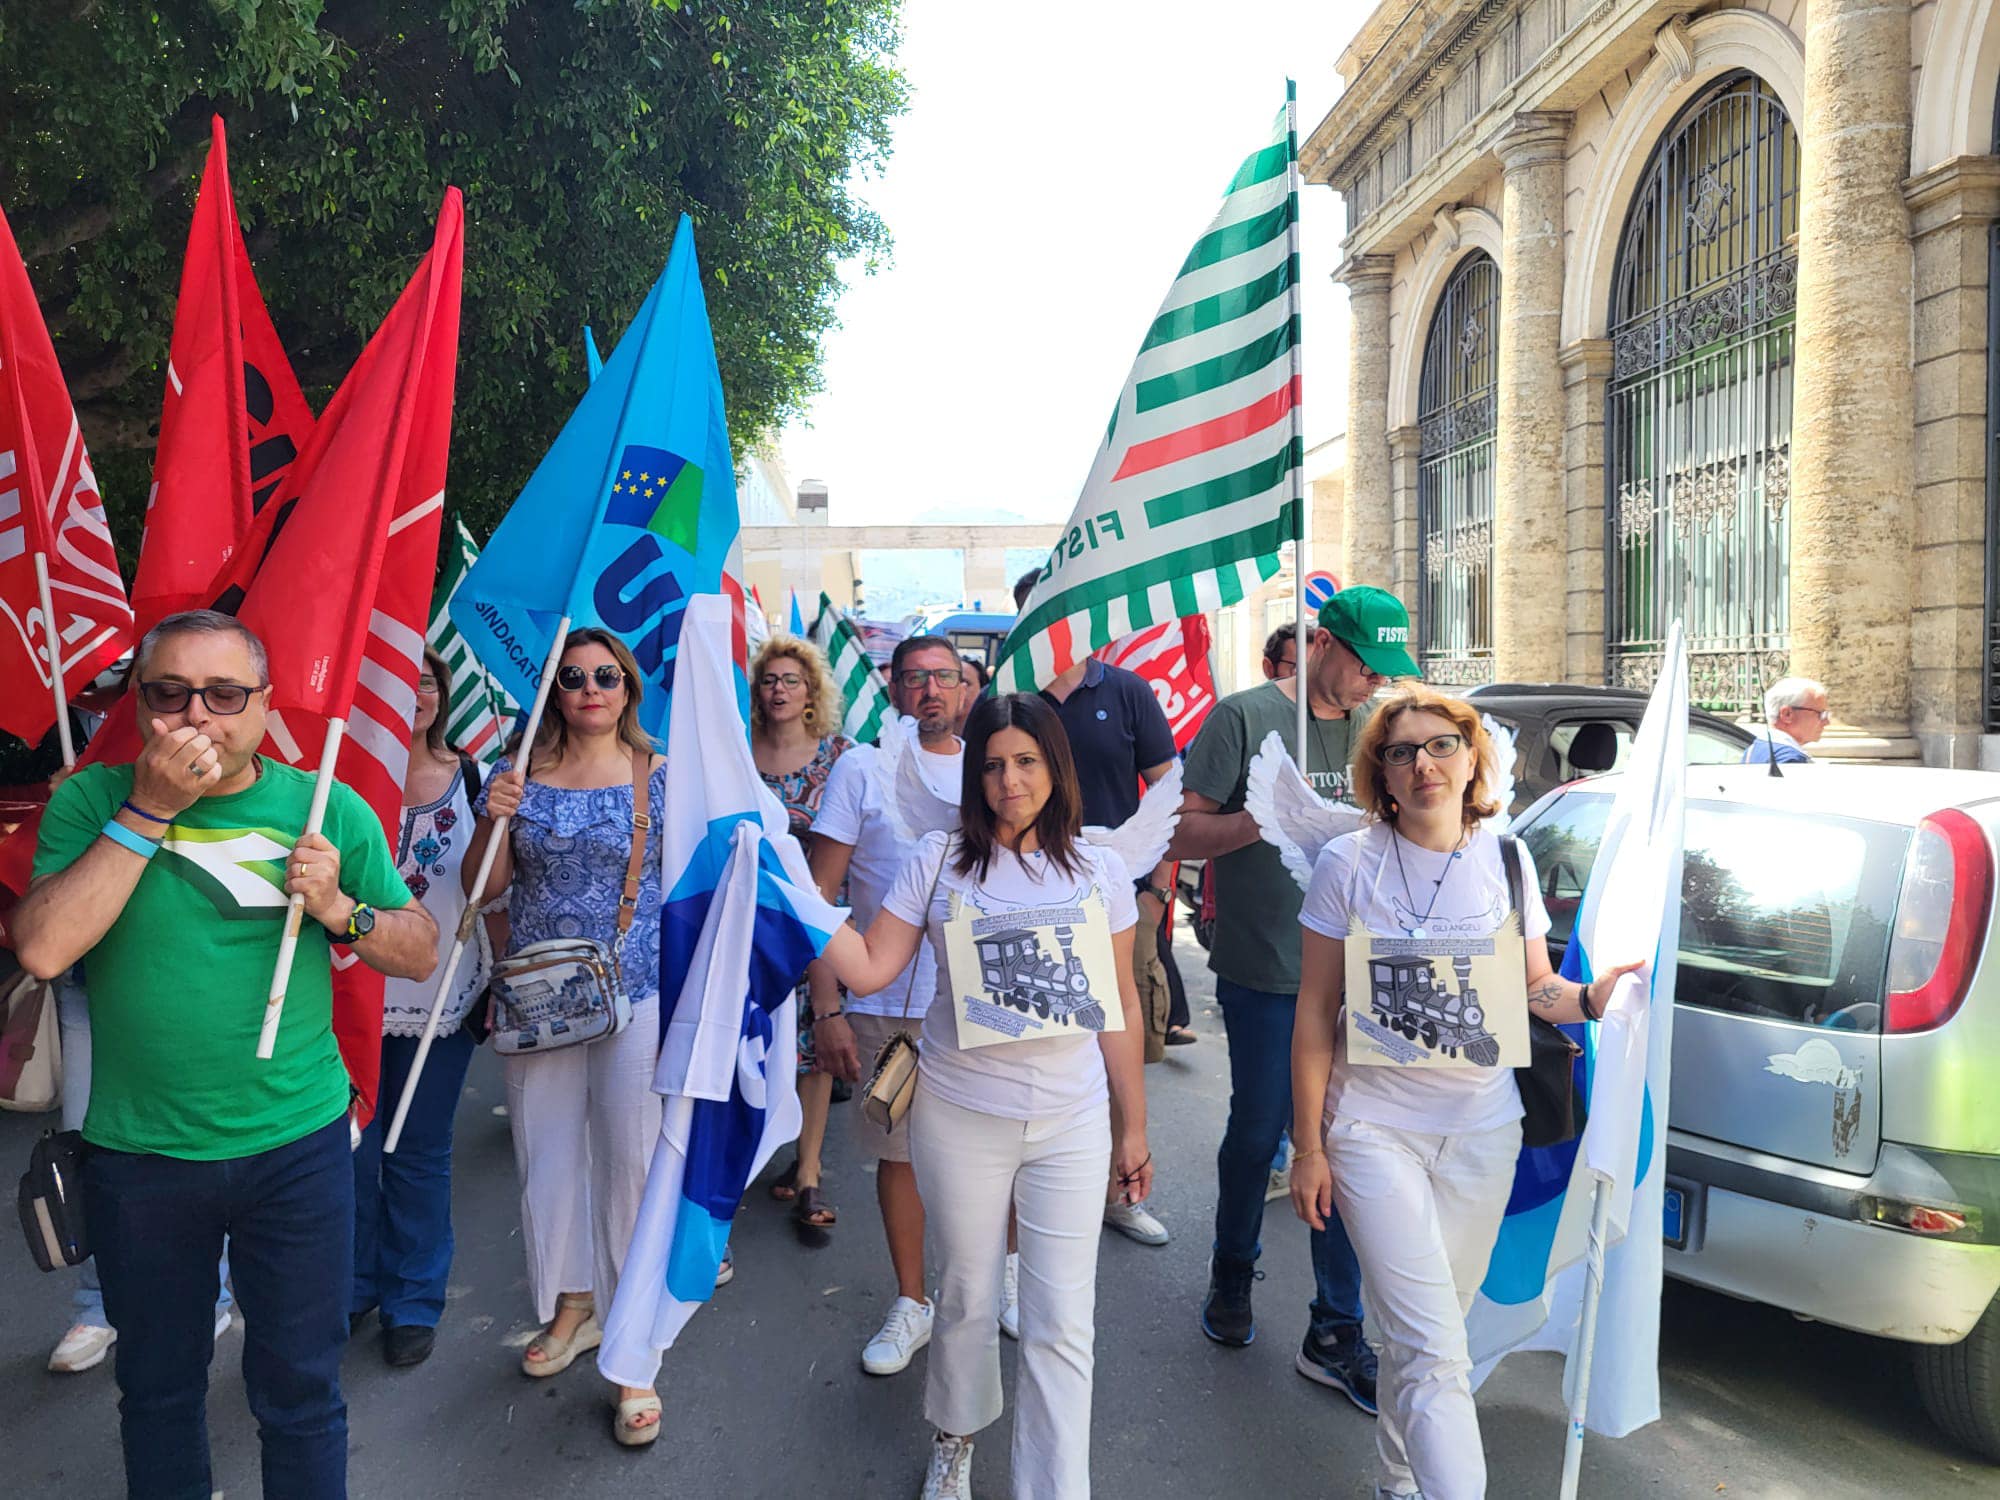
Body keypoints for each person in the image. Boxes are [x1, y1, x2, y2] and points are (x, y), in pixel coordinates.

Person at [12, 609, 439, 1500]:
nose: (195, 716)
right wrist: (149, 811)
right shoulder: (92, 803)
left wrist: (342, 914)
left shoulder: (322, 805)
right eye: (169, 693)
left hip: (297, 1150)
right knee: (158, 1392)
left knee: (300, 1392)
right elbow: (45, 947)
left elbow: (420, 946)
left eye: (223, 694)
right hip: (142, 1154)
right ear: (139, 703)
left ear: (265, 706)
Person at [1289, 685, 1642, 1500]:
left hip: (1485, 1130)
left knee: (1430, 1334)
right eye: (1401, 751)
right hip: (1374, 1128)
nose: (1423, 765)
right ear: (1379, 771)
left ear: (1472, 753)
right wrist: (1309, 1145)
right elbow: (1313, 1014)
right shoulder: (1348, 863)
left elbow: (1534, 988)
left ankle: (1397, 1483)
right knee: (1434, 1348)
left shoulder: (1508, 858)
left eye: (1441, 745)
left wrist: (1591, 999)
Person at [820, 694, 1153, 1500]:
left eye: (1028, 761)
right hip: (959, 1116)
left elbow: (1121, 1004)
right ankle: (955, 1439)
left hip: (1071, 1122)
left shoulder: (1100, 867)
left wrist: (1131, 1128)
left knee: (1062, 1319)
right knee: (967, 1294)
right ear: (975, 775)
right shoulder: (938, 857)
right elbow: (868, 965)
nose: (1010, 780)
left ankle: (1055, 1485)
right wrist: (794, 892)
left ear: (1056, 769)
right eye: (994, 764)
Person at [1172, 586, 1416, 1406]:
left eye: (1385, 673)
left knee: (1346, 1145)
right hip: (1269, 968)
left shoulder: (1382, 731)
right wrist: (1267, 817)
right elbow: (1181, 831)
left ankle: (1335, 1327)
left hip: (1366, 975)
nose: (1370, 686)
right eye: (1363, 667)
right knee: (1261, 1129)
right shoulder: (1242, 718)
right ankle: (1232, 1272)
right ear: (1324, 645)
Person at [466, 628, 669, 1447]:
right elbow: (487, 888)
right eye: (576, 677)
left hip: (638, 985)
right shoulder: (521, 776)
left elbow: (690, 883)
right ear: (555, 690)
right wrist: (491, 819)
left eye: (606, 676)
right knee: (546, 1151)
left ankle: (634, 1353)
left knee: (630, 1158)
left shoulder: (662, 773)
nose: (591, 688)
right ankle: (573, 1305)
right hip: (541, 993)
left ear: (628, 687)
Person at [804, 634, 967, 1374]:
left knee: (993, 1153)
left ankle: (994, 1284)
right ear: (894, 690)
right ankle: (912, 1302)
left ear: (966, 687)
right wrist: (826, 1005)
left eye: (944, 677)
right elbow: (819, 896)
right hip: (890, 1014)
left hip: (981, 1011)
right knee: (898, 1156)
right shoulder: (859, 769)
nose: (930, 689)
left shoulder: (1000, 764)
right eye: (914, 678)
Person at [1015, 568, 1178, 1248]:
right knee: (1028, 1047)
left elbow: (1171, 794)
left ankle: (1119, 1185)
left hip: (1117, 903)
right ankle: (1022, 1219)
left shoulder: (1128, 691)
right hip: (1025, 906)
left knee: (1118, 1034)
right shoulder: (1008, 699)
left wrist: (1156, 890)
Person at [349, 647, 492, 1368]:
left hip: (440, 997)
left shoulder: (472, 777)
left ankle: (412, 1299)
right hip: (348, 995)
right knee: (350, 1151)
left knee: (418, 1153)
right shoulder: (342, 777)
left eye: (427, 682)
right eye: (400, 685)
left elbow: (489, 886)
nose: (416, 696)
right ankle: (351, 1285)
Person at [749, 631, 853, 1245]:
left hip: (818, 917)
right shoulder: (737, 753)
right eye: (769, 680)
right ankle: (757, 1152)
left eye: (791, 680)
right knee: (755, 1042)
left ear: (811, 691)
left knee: (815, 1043)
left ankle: (810, 1168)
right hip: (750, 921)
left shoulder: (840, 755)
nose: (780, 689)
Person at [1744, 676, 1828, 765]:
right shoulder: (1789, 759)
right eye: (1820, 714)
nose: (1826, 722)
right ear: (1787, 714)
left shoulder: (1754, 749)